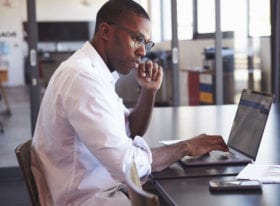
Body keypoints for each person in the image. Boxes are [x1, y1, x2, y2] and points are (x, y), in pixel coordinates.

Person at [31, 0, 228, 205]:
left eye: (146, 43)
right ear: (106, 31)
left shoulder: (94, 73)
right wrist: (185, 147)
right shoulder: (82, 77)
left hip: (100, 187)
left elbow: (130, 130)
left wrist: (148, 91)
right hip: (87, 199)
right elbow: (128, 166)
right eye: (137, 39)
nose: (143, 52)